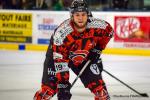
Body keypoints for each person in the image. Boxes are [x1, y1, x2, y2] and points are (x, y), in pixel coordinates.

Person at [34, 0, 114, 100]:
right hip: (57, 57)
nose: (80, 18)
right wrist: (63, 85)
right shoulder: (62, 34)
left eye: (83, 14)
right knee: (48, 91)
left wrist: (97, 49)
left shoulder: (97, 26)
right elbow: (60, 61)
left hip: (84, 56)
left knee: (101, 92)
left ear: (88, 14)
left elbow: (109, 32)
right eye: (77, 15)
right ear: (72, 15)